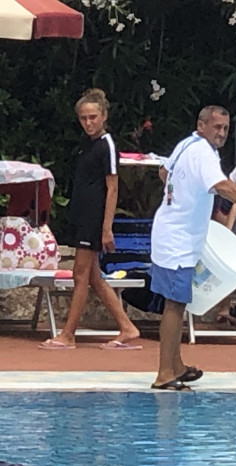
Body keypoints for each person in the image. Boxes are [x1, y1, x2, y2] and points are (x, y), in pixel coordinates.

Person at [150, 105, 236, 391]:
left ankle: (176, 365)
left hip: (173, 234)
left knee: (179, 302)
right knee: (175, 304)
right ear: (201, 125)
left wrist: (181, 196)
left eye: (225, 129)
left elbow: (163, 172)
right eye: (217, 127)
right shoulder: (203, 153)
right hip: (177, 240)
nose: (222, 133)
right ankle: (164, 373)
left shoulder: (187, 144)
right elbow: (222, 186)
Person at [39, 89, 141, 351]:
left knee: (80, 274)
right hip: (82, 216)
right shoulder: (87, 145)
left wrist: (106, 228)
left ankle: (68, 335)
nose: (88, 123)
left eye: (93, 117)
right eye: (84, 118)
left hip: (94, 219)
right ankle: (127, 327)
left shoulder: (107, 145)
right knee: (94, 277)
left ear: (104, 116)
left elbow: (113, 188)